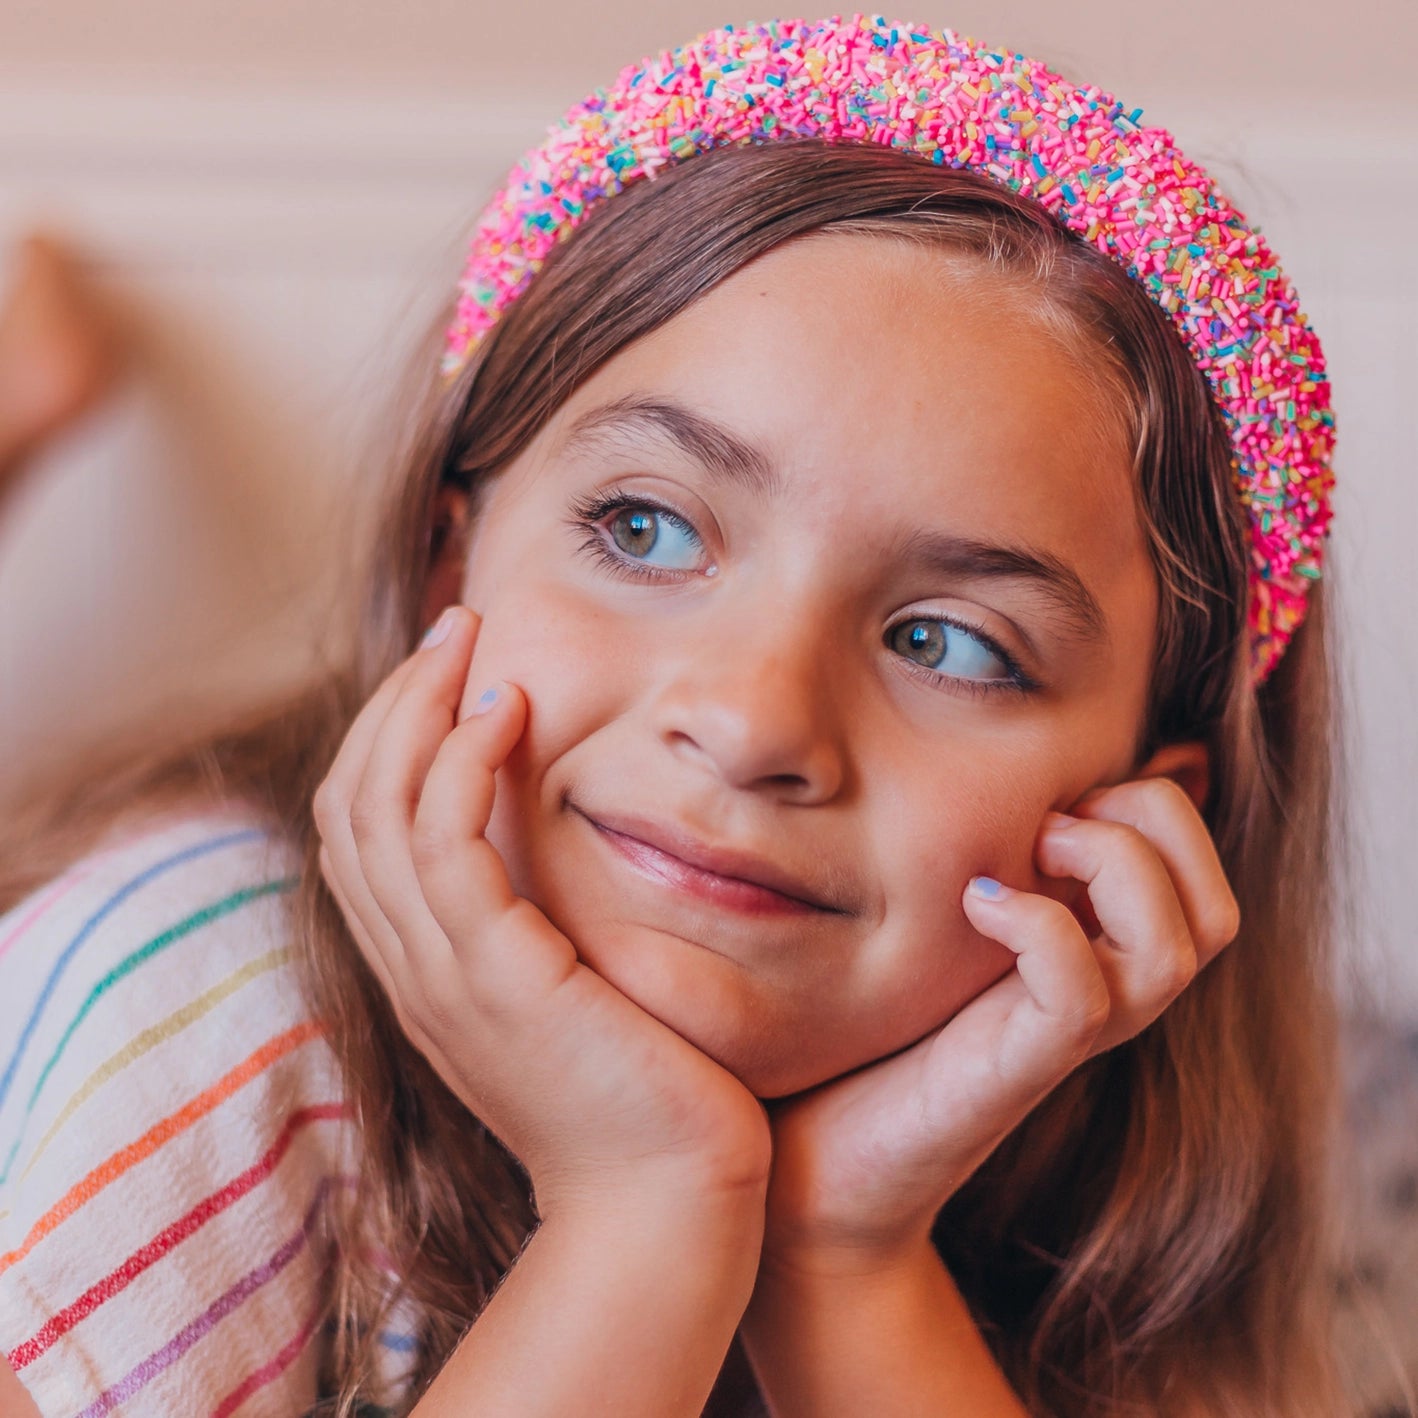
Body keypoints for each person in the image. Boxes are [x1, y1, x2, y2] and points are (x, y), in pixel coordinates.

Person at [0, 16, 1348, 1416]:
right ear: (443, 574)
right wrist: (646, 1199)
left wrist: (845, 1253)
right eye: (644, 529)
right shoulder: (199, 990)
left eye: (948, 642)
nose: (754, 719)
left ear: (1135, 811)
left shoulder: (1136, 1203)